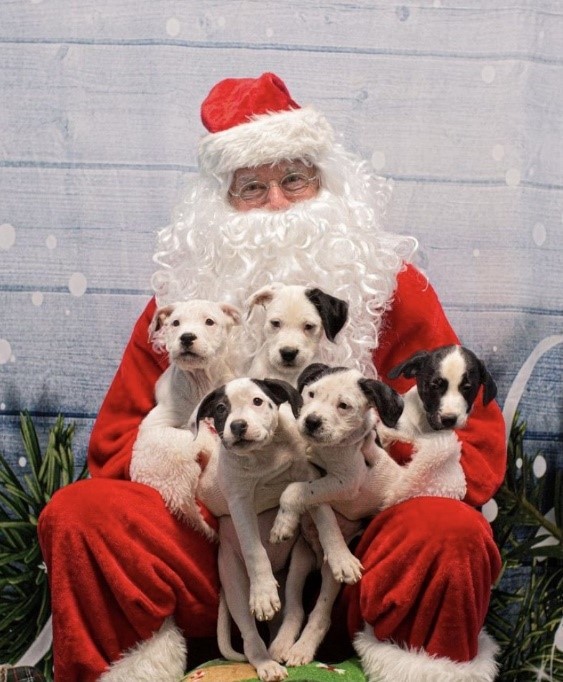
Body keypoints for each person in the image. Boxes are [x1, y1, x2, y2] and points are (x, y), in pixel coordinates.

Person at [38, 73, 506, 682]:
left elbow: (471, 436)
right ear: (218, 205)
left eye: (294, 181)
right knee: (82, 514)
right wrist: (219, 477)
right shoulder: (183, 310)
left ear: (328, 185)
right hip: (214, 558)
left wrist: (367, 488)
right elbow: (116, 445)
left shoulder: (394, 290)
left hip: (359, 557)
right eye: (252, 189)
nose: (279, 207)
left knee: (449, 531)